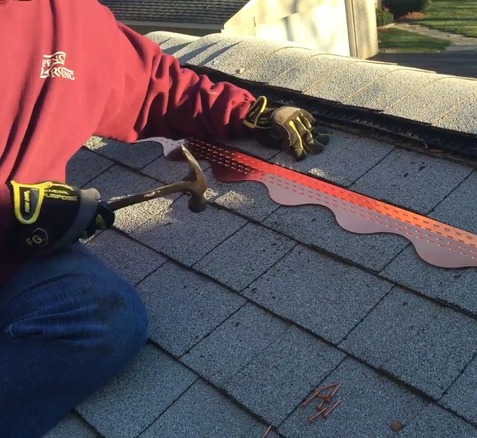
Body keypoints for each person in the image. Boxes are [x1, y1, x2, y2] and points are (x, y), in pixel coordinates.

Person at [0, 1, 329, 436]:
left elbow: (156, 86)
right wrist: (10, 208)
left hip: (17, 248)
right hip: (15, 227)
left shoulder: (70, 19)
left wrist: (250, 113)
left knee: (105, 318)